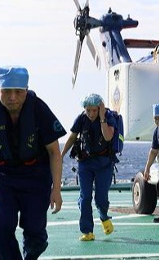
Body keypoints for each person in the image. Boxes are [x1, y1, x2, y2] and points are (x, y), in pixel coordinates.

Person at [0, 66, 65, 260]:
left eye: (18, 92)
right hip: (3, 176)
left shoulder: (39, 109)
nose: (12, 97)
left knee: (35, 229)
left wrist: (56, 189)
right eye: (7, 91)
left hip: (36, 176)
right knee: (3, 225)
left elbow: (54, 152)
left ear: (26, 91)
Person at [61, 93, 116, 241]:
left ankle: (104, 216)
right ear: (84, 109)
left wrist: (103, 117)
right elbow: (72, 137)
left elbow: (108, 137)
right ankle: (87, 231)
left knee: (101, 198)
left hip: (104, 164)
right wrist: (61, 155)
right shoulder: (81, 119)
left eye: (94, 110)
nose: (91, 114)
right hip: (85, 163)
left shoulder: (108, 117)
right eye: (88, 110)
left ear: (100, 108)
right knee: (85, 197)